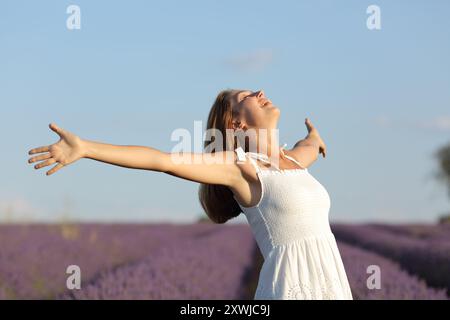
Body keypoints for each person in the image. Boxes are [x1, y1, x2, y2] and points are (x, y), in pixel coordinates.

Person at [27, 89, 353, 299]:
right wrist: (85, 148)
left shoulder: (295, 159)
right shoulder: (239, 167)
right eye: (246, 97)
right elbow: (162, 160)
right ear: (235, 124)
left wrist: (315, 138)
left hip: (333, 286)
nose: (260, 92)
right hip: (291, 289)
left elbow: (308, 147)